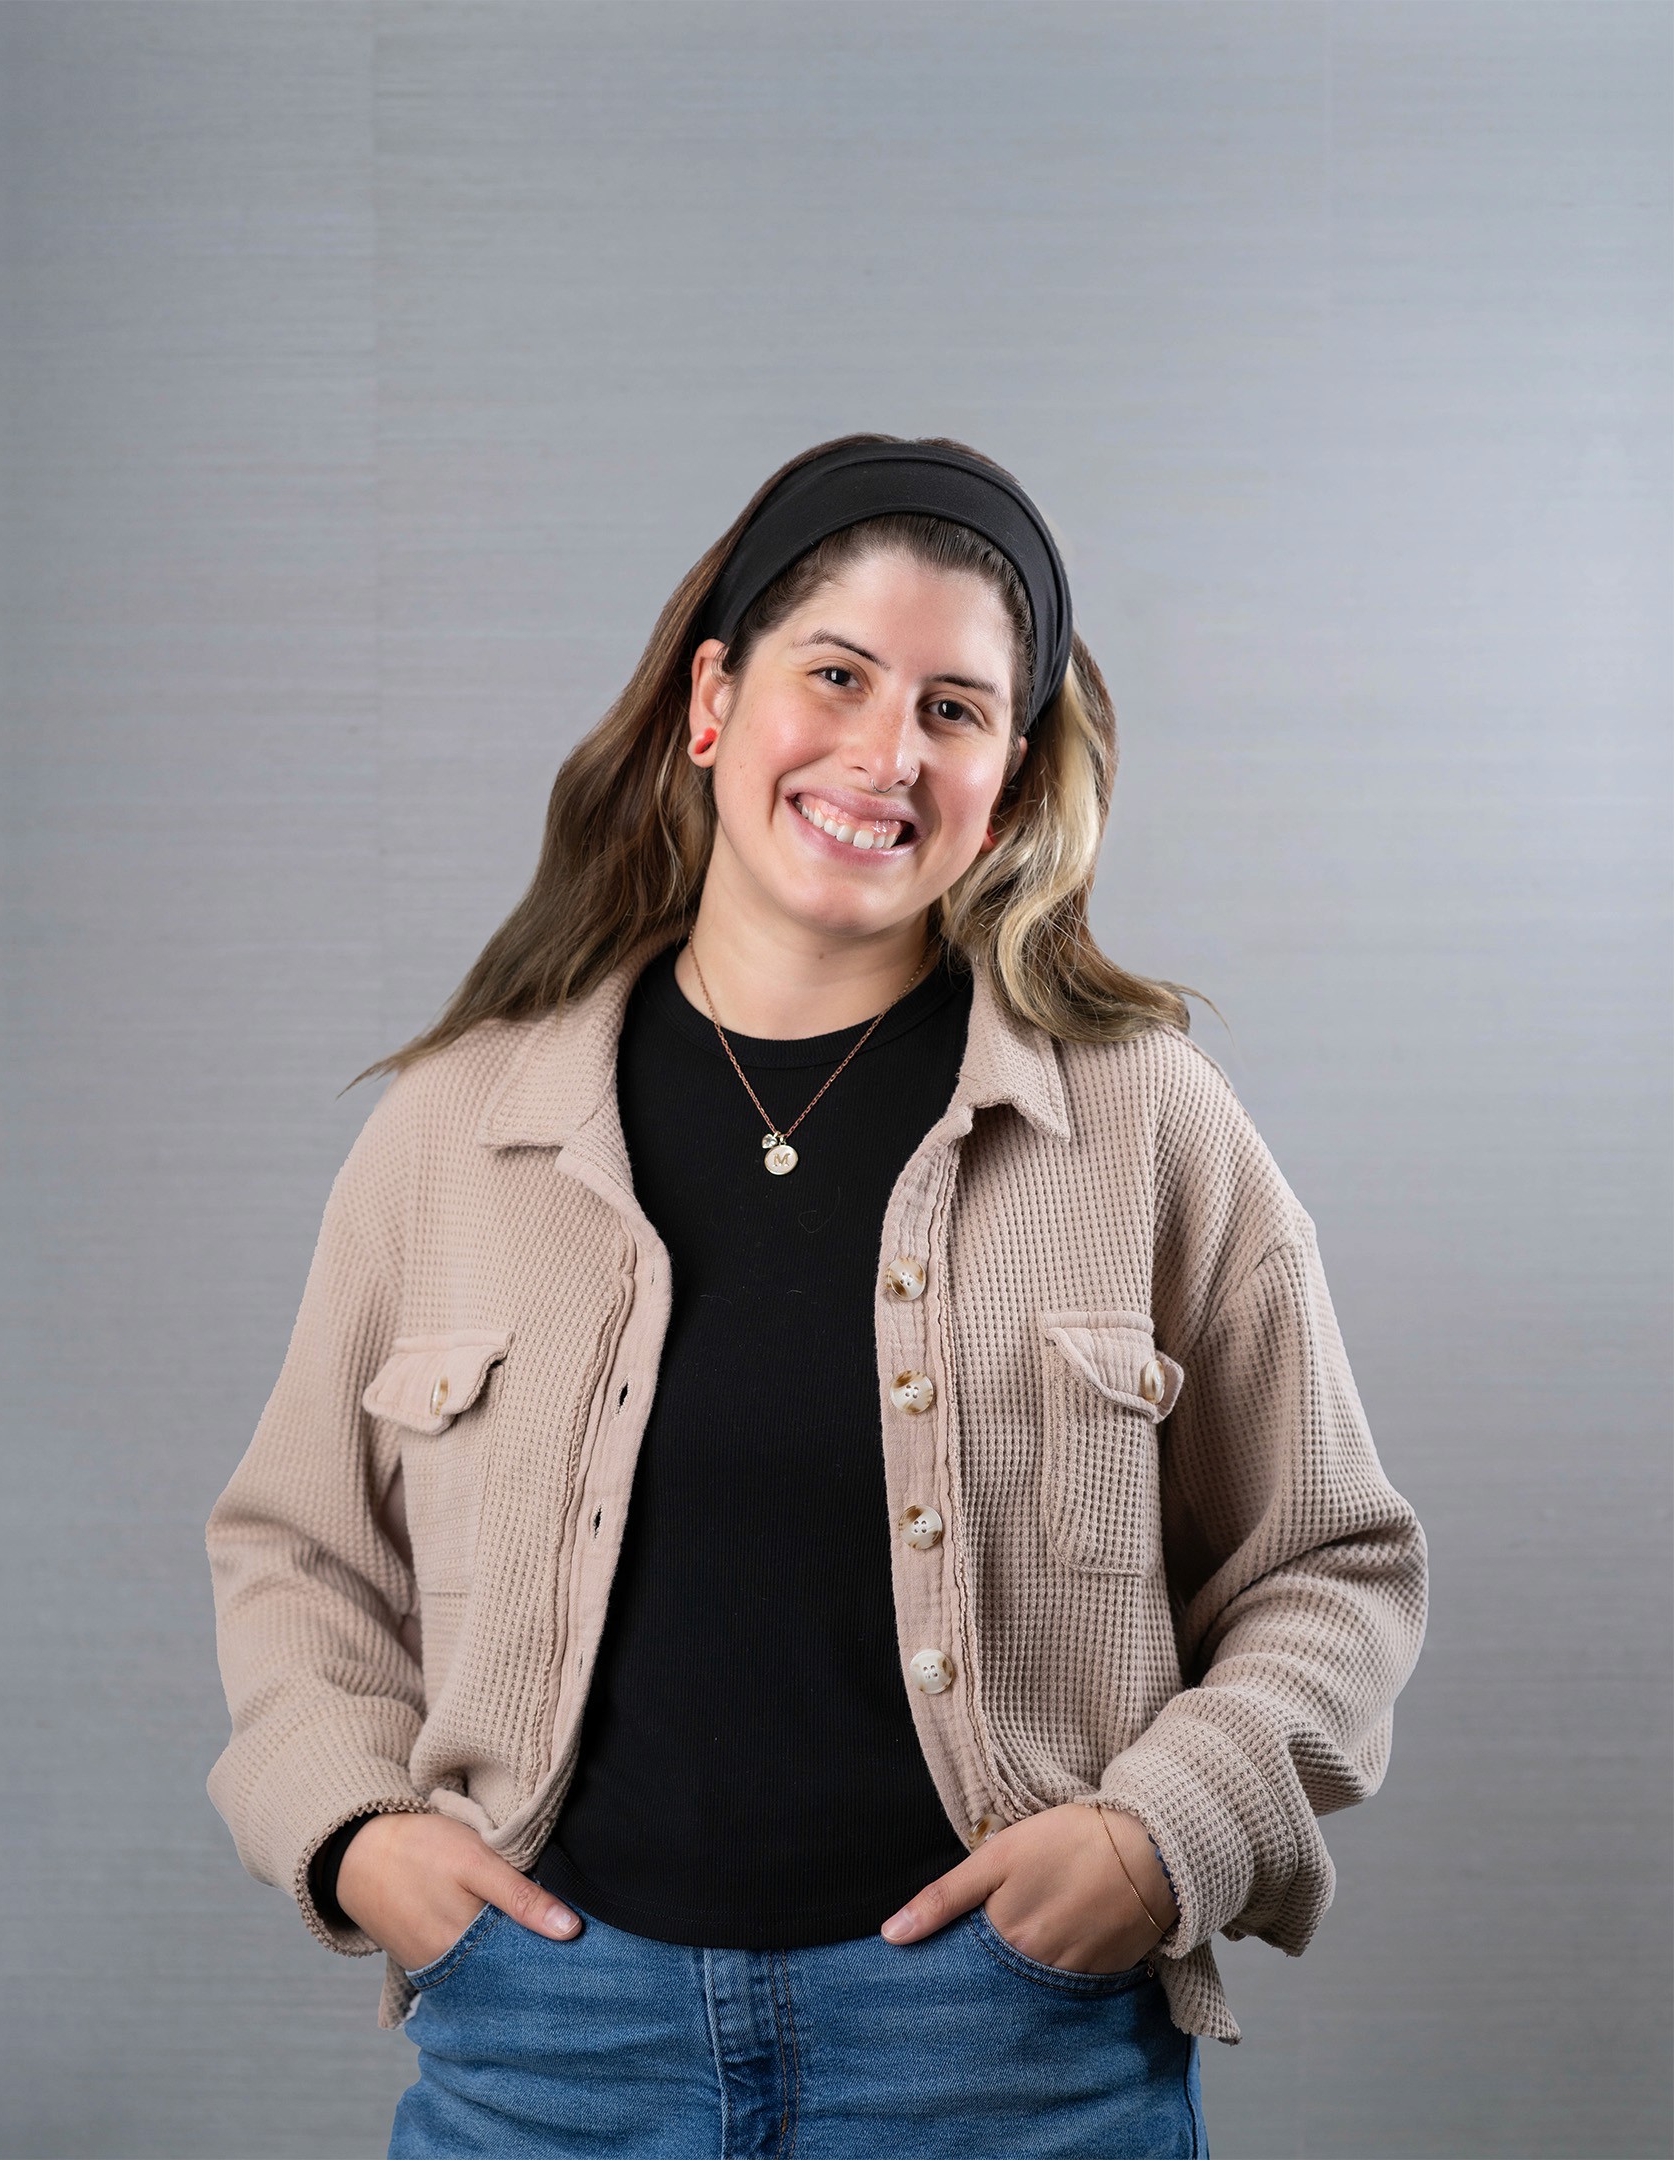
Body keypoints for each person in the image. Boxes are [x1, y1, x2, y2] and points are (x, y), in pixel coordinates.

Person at [206, 433, 1429, 2158]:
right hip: (551, 2054)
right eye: (837, 676)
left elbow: (1331, 1566)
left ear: (1006, 777)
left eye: (954, 708)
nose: (885, 752)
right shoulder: (457, 1128)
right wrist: (355, 1837)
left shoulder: (1140, 1117)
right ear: (714, 701)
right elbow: (297, 1555)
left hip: (1008, 2062)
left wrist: (1162, 1839)